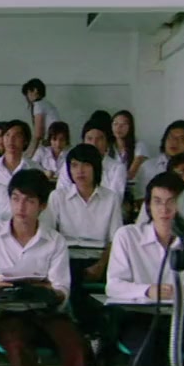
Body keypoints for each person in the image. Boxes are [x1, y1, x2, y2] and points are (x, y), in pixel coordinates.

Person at [106, 171, 184, 366]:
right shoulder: (127, 236)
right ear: (148, 205)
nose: (164, 209)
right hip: (140, 319)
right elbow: (114, 286)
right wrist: (148, 290)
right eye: (157, 202)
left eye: (171, 202)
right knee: (147, 355)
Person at [0, 169, 90, 366]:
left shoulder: (55, 241)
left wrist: (48, 291)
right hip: (9, 313)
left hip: (47, 313)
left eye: (29, 201)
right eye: (15, 199)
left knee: (76, 348)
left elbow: (61, 289)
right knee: (17, 346)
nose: (21, 207)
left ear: (42, 206)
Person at [49, 144, 123, 337]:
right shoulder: (57, 197)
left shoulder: (110, 198)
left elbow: (115, 240)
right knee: (70, 276)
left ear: (95, 168)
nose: (79, 171)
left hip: (99, 258)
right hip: (67, 257)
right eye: (74, 165)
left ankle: (89, 331)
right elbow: (49, 236)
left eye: (85, 165)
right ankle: (88, 331)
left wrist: (100, 265)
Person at [60, 120, 127, 199]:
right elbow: (61, 195)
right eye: (89, 138)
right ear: (83, 141)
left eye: (99, 139)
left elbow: (115, 199)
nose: (94, 143)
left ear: (107, 143)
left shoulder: (117, 168)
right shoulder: (70, 165)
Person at [0, 120, 40, 187]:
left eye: (17, 136)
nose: (11, 140)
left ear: (25, 141)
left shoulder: (34, 168)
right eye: (7, 135)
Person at [22, 78, 60, 155]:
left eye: (28, 93)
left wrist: (29, 153)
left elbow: (38, 134)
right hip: (56, 140)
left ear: (35, 90)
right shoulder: (46, 103)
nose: (27, 97)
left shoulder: (38, 105)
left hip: (53, 141)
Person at [111, 110, 150, 183]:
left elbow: (131, 174)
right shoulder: (109, 148)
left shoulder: (139, 146)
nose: (119, 127)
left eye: (124, 124)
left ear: (130, 127)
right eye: (115, 124)